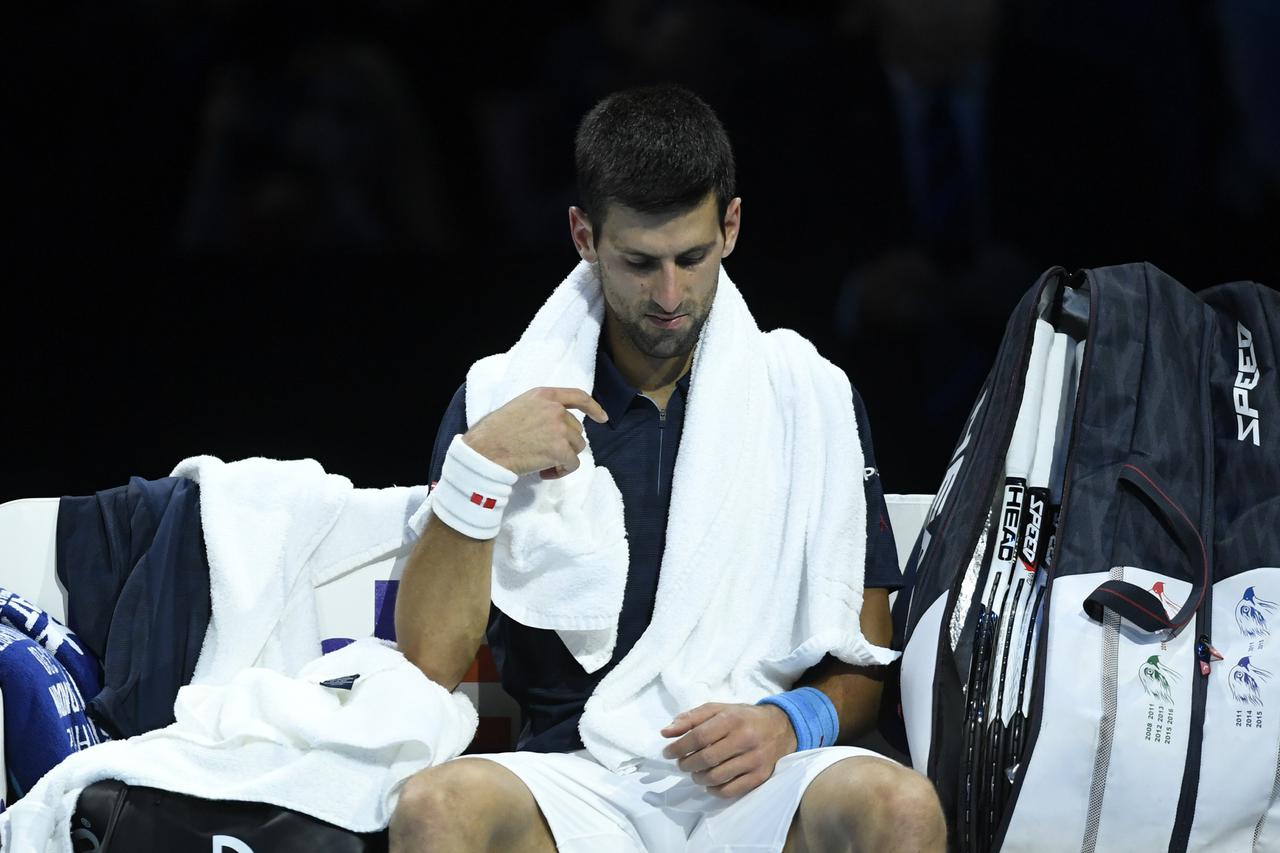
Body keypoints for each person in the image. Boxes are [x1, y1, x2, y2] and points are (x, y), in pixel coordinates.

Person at [390, 85, 946, 852]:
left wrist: (789, 723)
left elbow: (864, 659)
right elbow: (430, 660)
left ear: (732, 226)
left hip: (757, 772)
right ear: (584, 236)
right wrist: (480, 466)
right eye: (640, 263)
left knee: (904, 807)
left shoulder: (810, 396)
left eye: (692, 257)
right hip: (575, 774)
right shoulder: (500, 402)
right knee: (435, 809)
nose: (670, 295)